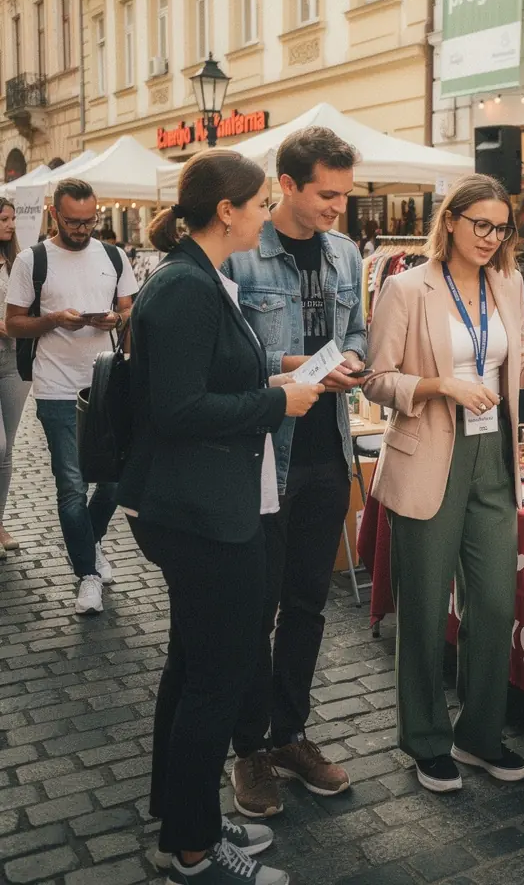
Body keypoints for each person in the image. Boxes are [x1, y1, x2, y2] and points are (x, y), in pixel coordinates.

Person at [363, 173, 524, 793]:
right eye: (478, 224)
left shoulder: (506, 284)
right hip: (430, 455)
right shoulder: (407, 287)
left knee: (493, 605)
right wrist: (439, 386)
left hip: (495, 458)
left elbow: (522, 367)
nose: (489, 238)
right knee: (426, 610)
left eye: (500, 227)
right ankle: (426, 740)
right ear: (450, 220)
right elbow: (377, 380)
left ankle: (479, 736)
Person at [117, 149, 323, 885]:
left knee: (192, 666)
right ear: (226, 210)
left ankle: (184, 815)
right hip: (203, 511)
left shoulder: (201, 278)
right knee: (216, 675)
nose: (269, 212)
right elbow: (176, 410)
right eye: (261, 201)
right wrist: (277, 403)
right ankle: (195, 851)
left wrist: (277, 376)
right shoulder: (185, 286)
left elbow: (205, 381)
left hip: (212, 502)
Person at [225, 128, 366, 818]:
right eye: (327, 194)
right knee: (255, 610)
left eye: (345, 193)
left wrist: (355, 364)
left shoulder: (346, 254)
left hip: (325, 456)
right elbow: (230, 360)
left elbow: (358, 332)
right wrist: (298, 368)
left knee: (308, 606)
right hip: (262, 463)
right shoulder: (245, 257)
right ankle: (247, 748)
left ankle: (290, 735)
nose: (339, 207)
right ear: (287, 185)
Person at [6, 177, 138, 615]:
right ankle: (87, 575)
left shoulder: (115, 256)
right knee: (71, 485)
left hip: (105, 384)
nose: (83, 229)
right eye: (73, 222)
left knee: (115, 481)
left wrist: (115, 320)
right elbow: (14, 323)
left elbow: (129, 310)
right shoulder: (34, 260)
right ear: (54, 214)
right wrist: (55, 320)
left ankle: (89, 541)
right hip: (56, 386)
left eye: (89, 221)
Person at [0, 199, 29, 556]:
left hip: (14, 363)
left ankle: (0, 521)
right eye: (3, 219)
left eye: (12, 219)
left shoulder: (20, 263)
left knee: (7, 454)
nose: (9, 224)